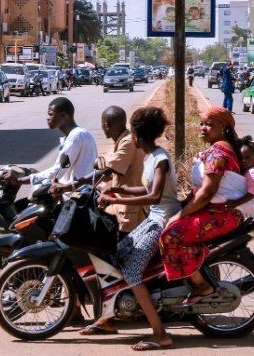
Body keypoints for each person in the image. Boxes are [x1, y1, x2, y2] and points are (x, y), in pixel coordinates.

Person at [85, 107, 181, 350]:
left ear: (136, 136)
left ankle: (160, 333)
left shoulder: (159, 159)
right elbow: (144, 189)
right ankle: (111, 315)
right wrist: (117, 190)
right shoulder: (151, 157)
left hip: (162, 220)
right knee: (118, 254)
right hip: (153, 218)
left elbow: (154, 196)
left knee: (131, 272)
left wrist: (116, 200)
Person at [158, 106, 248, 306]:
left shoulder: (218, 152)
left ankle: (201, 285)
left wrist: (180, 214)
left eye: (209, 124)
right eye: (201, 124)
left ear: (224, 127)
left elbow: (208, 192)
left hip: (220, 215)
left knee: (170, 235)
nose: (203, 128)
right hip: (216, 212)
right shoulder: (219, 148)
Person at [2, 97, 98, 187]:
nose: (48, 118)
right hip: (78, 189)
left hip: (76, 195)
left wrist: (20, 181)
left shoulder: (75, 137)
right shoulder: (80, 134)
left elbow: (58, 171)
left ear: (63, 115)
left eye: (51, 114)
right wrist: (39, 174)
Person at [93, 106, 148, 235]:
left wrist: (74, 184)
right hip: (119, 203)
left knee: (122, 249)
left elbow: (107, 169)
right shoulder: (122, 140)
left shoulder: (128, 142)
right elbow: (108, 168)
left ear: (106, 125)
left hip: (129, 210)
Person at [226, 137, 254, 219]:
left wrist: (236, 203)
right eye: (241, 158)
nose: (243, 161)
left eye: (247, 158)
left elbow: (252, 193)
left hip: (253, 206)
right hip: (251, 205)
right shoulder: (246, 170)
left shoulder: (253, 172)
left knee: (225, 195)